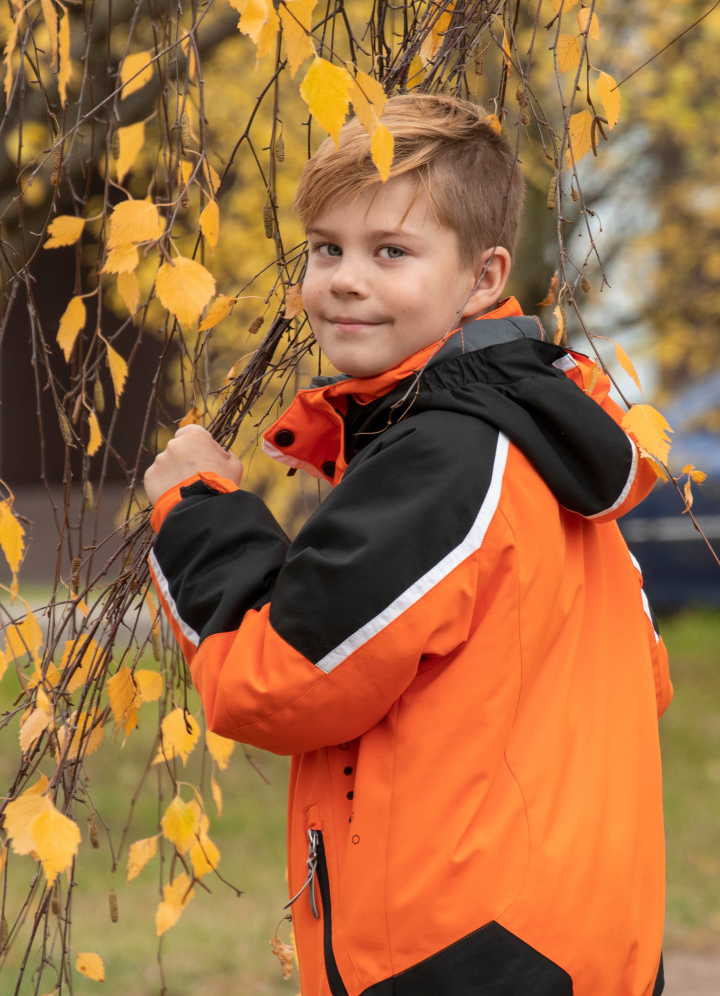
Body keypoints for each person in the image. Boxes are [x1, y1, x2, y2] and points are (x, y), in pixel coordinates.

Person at [145, 94, 671, 996]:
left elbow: (272, 681)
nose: (347, 279)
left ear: (482, 275)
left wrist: (196, 508)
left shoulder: (445, 459)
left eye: (392, 251)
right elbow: (646, 677)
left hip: (463, 956)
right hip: (579, 941)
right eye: (326, 248)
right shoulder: (543, 444)